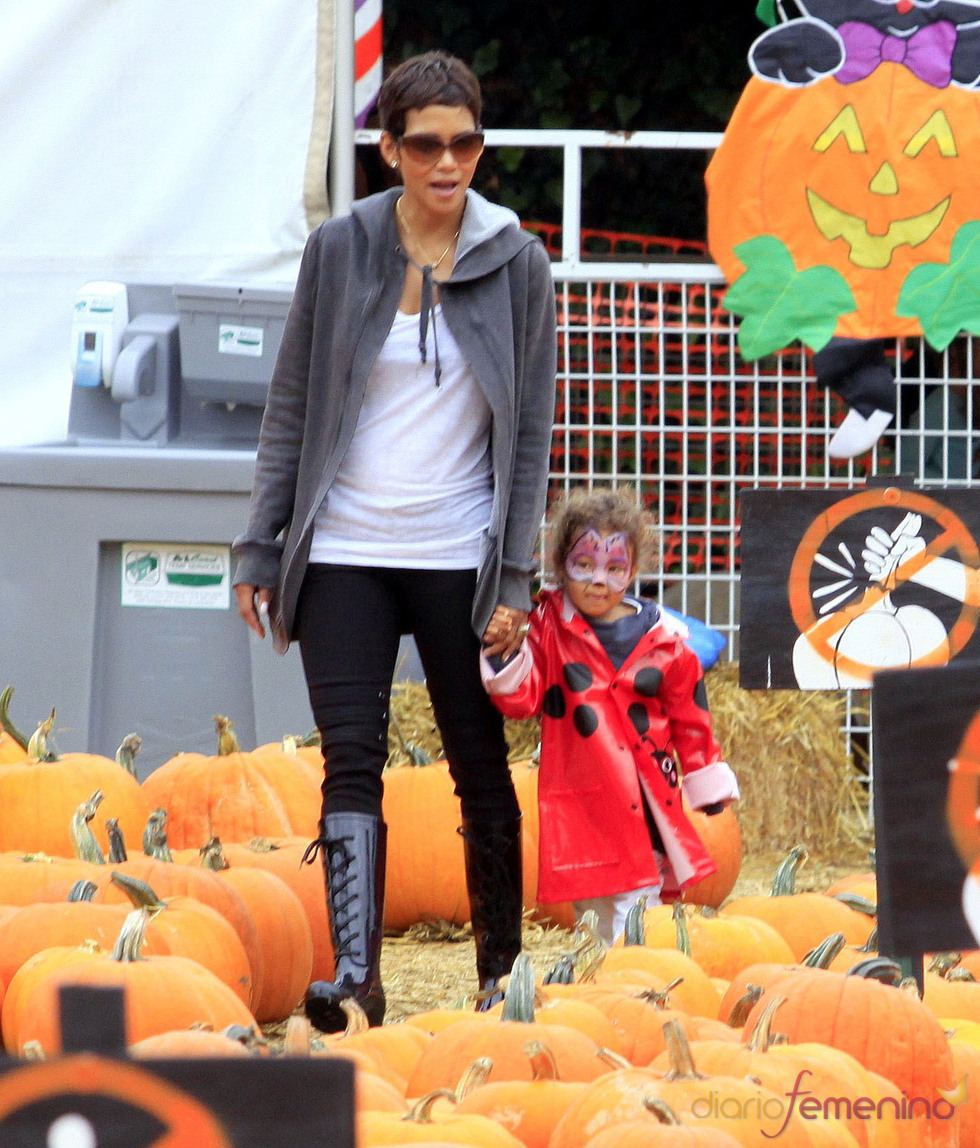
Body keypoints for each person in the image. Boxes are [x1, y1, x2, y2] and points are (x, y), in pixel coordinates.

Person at [232, 51, 557, 1031]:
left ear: (478, 145)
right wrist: (258, 543)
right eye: (426, 143)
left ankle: (499, 969)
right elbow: (289, 405)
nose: (446, 161)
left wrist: (514, 571)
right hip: (342, 551)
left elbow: (532, 425)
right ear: (389, 149)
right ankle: (357, 977)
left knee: (476, 758)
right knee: (351, 760)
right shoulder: (340, 250)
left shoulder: (516, 260)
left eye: (464, 142)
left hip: (460, 551)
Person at [481, 488, 739, 944]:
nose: (599, 580)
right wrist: (503, 651)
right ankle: (610, 987)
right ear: (561, 566)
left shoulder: (664, 641)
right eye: (585, 566)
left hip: (645, 801)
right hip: (584, 801)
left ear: (634, 571)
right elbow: (521, 700)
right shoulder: (546, 629)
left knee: (638, 905)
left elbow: (690, 717)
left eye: (615, 568)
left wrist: (704, 777)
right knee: (594, 914)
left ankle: (641, 985)